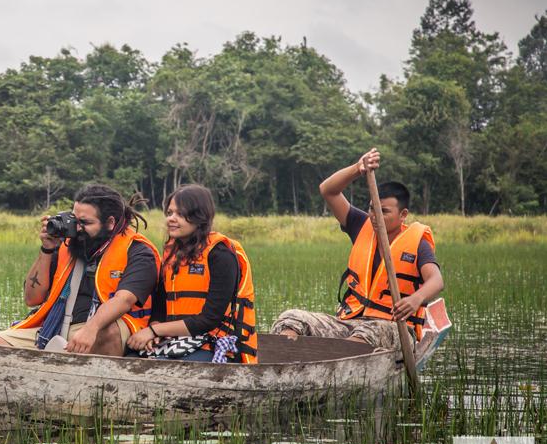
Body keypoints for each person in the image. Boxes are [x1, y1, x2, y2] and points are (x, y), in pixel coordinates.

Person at [270, 148, 445, 347]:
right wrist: (357, 168)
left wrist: (416, 298)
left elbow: (436, 280)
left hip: (392, 327)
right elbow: (328, 190)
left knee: (370, 331)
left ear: (403, 214)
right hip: (349, 323)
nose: (374, 214)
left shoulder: (417, 243)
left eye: (383, 211)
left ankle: (345, 355)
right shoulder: (362, 225)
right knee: (291, 318)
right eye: (372, 208)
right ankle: (286, 356)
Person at [0, 184, 161, 356]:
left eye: (85, 223)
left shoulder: (138, 251)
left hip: (107, 326)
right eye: (75, 220)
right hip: (58, 324)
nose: (77, 228)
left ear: (110, 223)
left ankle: (98, 384)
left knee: (108, 334)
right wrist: (47, 249)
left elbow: (124, 300)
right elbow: (32, 299)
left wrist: (90, 328)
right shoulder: (69, 244)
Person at [126, 185, 259, 363]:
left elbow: (209, 319)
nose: (171, 219)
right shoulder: (172, 253)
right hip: (175, 339)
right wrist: (155, 328)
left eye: (180, 214)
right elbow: (160, 304)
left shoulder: (220, 254)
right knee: (131, 359)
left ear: (199, 217)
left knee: (171, 368)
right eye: (170, 212)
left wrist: (154, 331)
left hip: (214, 342)